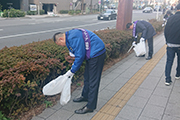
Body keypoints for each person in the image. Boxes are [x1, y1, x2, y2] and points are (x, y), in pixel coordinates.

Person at [53, 28, 106, 114]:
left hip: (97, 54)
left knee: (93, 81)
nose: (62, 46)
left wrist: (72, 71)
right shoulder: (69, 35)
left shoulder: (73, 37)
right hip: (91, 53)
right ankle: (85, 96)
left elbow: (80, 56)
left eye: (60, 44)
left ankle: (90, 106)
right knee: (87, 77)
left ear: (61, 39)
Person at [164, 3, 180, 86]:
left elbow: (165, 31)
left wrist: (167, 41)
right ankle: (178, 75)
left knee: (169, 61)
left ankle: (167, 79)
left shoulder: (170, 18)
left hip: (170, 44)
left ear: (176, 9)